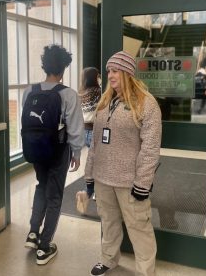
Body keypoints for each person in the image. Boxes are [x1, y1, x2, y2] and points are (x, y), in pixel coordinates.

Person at [85, 51, 162, 276]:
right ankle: (108, 259)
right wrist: (89, 176)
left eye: (115, 70)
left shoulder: (147, 104)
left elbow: (150, 149)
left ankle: (146, 272)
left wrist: (143, 184)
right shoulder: (105, 101)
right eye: (109, 70)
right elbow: (95, 144)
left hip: (130, 182)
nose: (110, 75)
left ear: (128, 73)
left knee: (139, 229)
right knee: (108, 223)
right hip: (103, 178)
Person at [22, 44, 84, 265]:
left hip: (35, 150)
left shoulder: (29, 91)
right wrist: (76, 153)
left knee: (41, 185)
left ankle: (32, 233)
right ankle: (45, 246)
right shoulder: (68, 94)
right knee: (55, 196)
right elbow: (75, 128)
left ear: (44, 65)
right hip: (58, 151)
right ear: (64, 68)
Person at [79, 67, 101, 148]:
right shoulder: (97, 92)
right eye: (98, 76)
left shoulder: (81, 93)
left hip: (83, 131)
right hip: (94, 130)